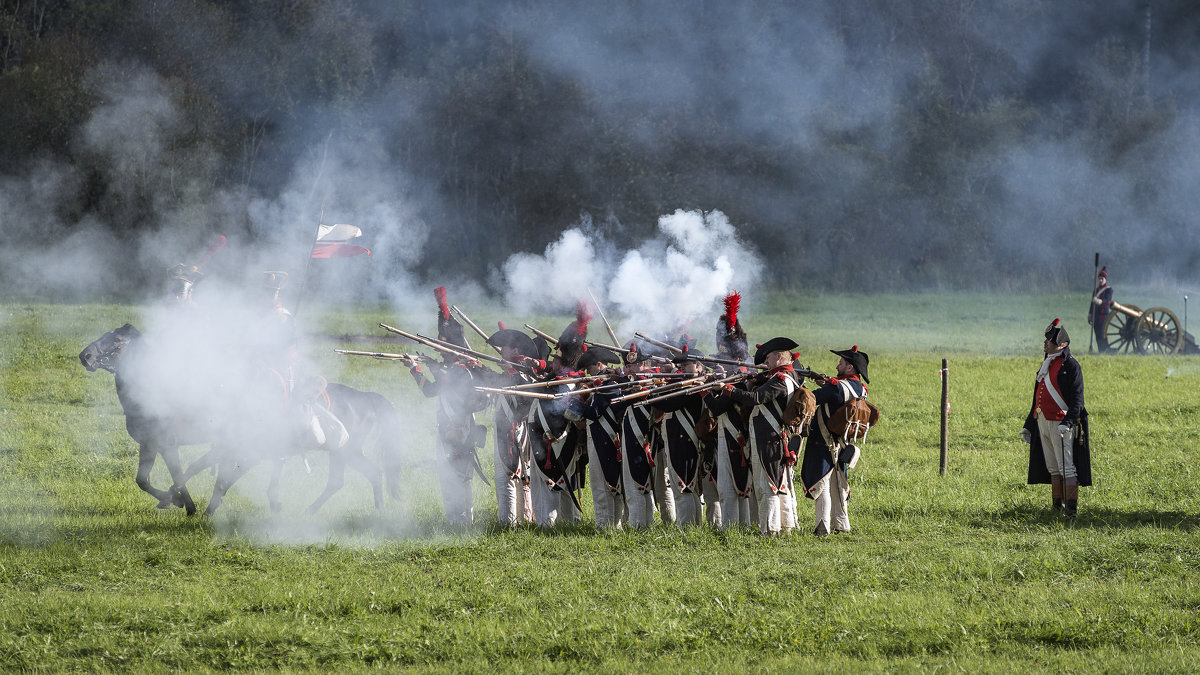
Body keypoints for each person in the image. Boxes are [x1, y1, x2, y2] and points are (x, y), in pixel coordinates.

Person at [410, 287, 490, 525]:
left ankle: (463, 521)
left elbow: (456, 389)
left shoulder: (463, 370)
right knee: (450, 475)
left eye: (442, 345)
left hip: (460, 428)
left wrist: (434, 369)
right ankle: (457, 520)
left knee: (459, 475)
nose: (438, 348)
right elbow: (430, 391)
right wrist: (416, 369)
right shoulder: (453, 369)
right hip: (447, 426)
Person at [719, 337, 804, 536]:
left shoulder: (781, 379)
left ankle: (770, 529)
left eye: (767, 358)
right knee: (776, 484)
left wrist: (727, 389)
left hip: (769, 437)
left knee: (768, 485)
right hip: (770, 437)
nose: (765, 362)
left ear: (779, 356)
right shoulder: (784, 376)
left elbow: (755, 398)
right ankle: (785, 527)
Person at [1021, 318, 1092, 518]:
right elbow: (1037, 397)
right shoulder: (1046, 364)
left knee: (1067, 469)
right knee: (1053, 469)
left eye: (1049, 341)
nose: (1045, 343)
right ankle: (1056, 508)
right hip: (1043, 421)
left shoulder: (1071, 366)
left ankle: (1071, 512)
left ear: (1061, 344)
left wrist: (1067, 423)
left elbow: (1077, 401)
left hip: (1061, 424)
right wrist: (1029, 424)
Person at [799, 345, 870, 537]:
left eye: (841, 362)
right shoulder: (861, 388)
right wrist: (827, 382)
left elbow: (811, 399)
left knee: (822, 484)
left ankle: (822, 526)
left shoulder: (836, 387)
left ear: (850, 368)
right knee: (838, 483)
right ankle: (842, 523)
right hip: (842, 440)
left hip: (823, 440)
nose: (837, 364)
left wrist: (800, 384)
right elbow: (839, 394)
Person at [1088, 266, 1114, 353]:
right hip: (1096, 315)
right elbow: (1092, 304)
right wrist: (1090, 314)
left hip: (1104, 314)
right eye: (1099, 278)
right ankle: (1100, 350)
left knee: (1103, 333)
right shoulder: (1095, 290)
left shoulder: (1109, 290)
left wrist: (1100, 301)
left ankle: (1105, 349)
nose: (1100, 280)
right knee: (1097, 333)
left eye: (1102, 278)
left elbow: (1108, 300)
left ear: (1105, 279)